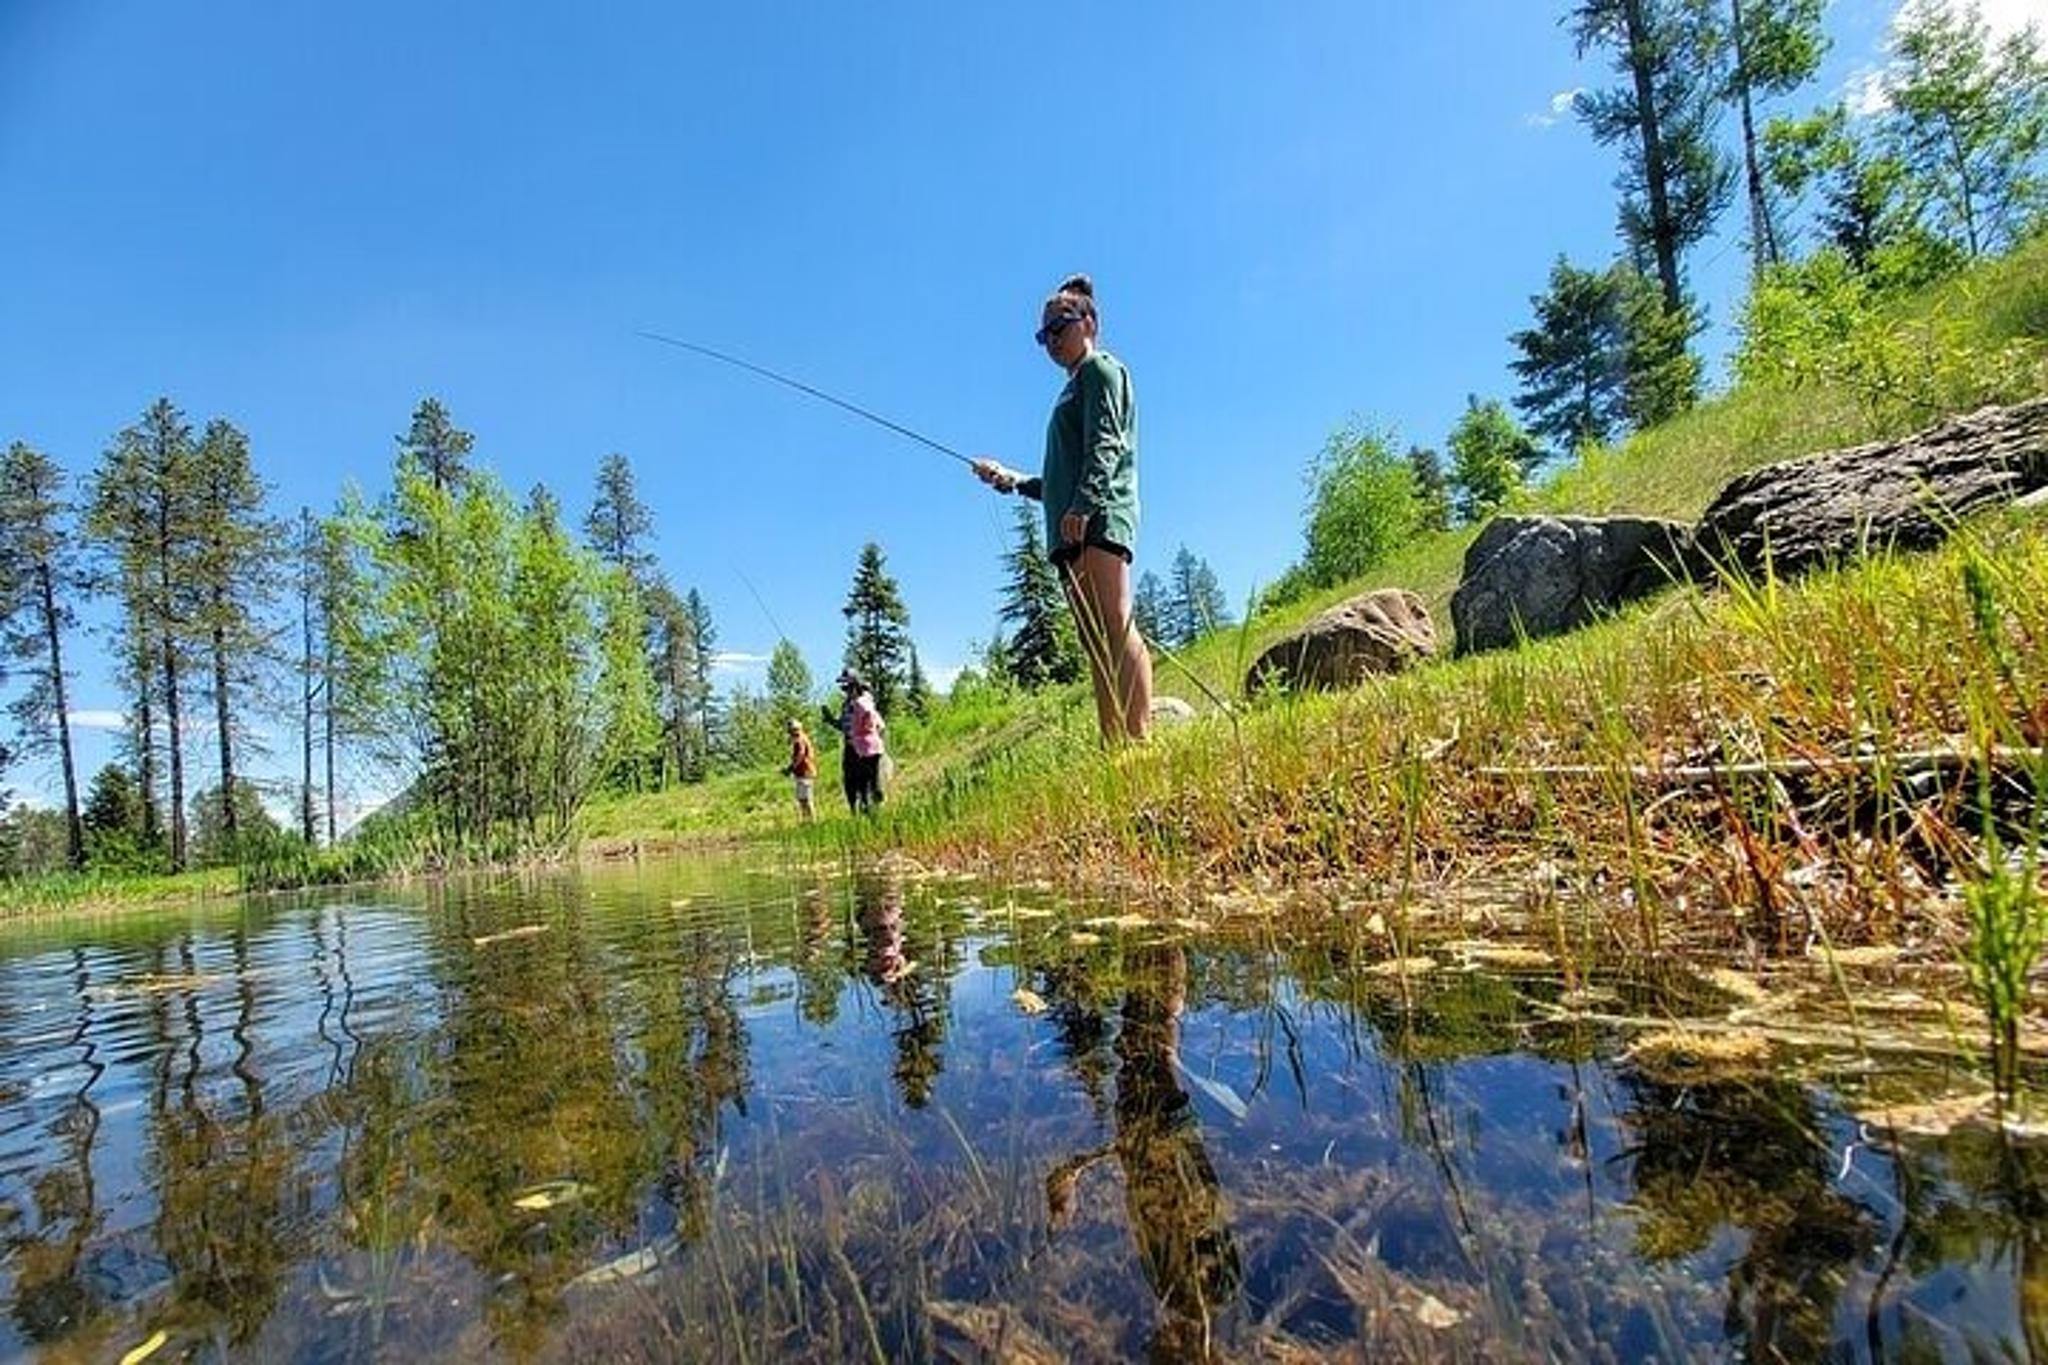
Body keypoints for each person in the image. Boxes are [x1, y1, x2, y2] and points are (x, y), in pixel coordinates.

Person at [973, 273, 1154, 745]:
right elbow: (1057, 481)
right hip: (1071, 527)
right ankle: (1114, 743)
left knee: (1114, 624)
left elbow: (1107, 443)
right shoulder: (1070, 389)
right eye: (1043, 335)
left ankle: (1138, 739)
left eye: (1060, 326)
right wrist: (1012, 480)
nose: (1051, 339)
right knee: (1095, 641)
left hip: (1099, 517)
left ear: (1089, 322)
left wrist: (1084, 504)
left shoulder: (1101, 370)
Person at [831, 669, 887, 814]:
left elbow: (879, 726)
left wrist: (870, 740)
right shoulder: (847, 704)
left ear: (855, 685)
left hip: (864, 748)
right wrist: (831, 721)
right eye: (844, 687)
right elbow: (844, 725)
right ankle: (856, 813)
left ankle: (873, 813)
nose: (845, 690)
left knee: (868, 783)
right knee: (850, 781)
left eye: (847, 686)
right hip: (851, 746)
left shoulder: (864, 702)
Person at [781, 718, 817, 822]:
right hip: (802, 774)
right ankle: (807, 822)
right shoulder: (801, 739)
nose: (790, 733)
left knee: (807, 800)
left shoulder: (800, 740)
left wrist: (790, 769)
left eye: (791, 731)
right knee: (802, 800)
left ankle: (812, 822)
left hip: (805, 773)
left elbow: (800, 756)